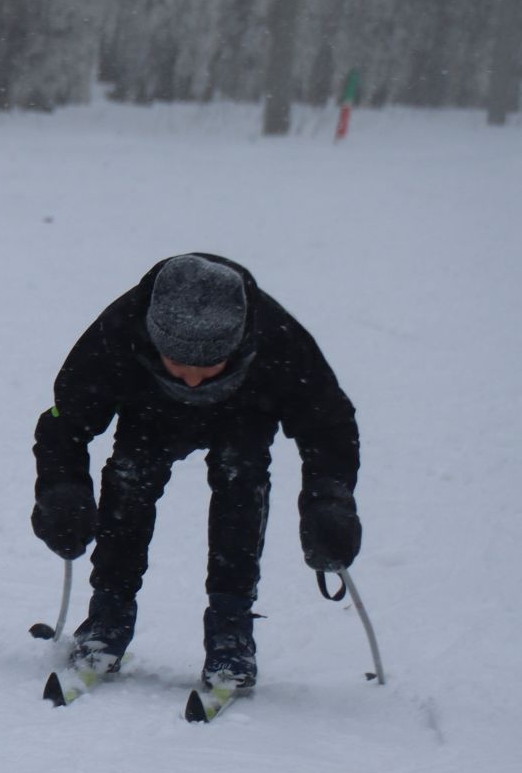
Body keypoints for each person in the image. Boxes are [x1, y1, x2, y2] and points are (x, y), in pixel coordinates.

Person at [30, 253, 361, 688]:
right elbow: (64, 423)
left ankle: (231, 630)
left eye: (208, 369)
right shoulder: (118, 334)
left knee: (241, 484)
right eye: (179, 367)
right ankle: (107, 616)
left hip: (243, 413)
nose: (191, 382)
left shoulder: (278, 340)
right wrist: (62, 494)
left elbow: (329, 426)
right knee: (130, 479)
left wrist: (329, 502)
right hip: (149, 414)